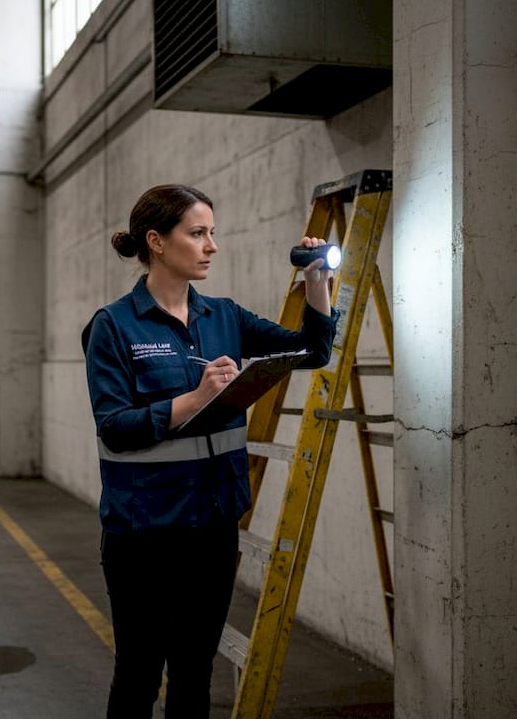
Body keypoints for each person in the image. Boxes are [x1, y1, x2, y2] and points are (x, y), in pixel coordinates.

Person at [80, 184, 337, 718]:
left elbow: (312, 351)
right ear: (156, 241)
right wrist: (195, 399)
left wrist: (317, 281)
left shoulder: (225, 317)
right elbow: (115, 427)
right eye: (197, 233)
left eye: (212, 233)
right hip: (143, 534)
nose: (211, 245)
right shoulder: (113, 327)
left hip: (214, 525)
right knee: (139, 673)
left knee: (196, 670)